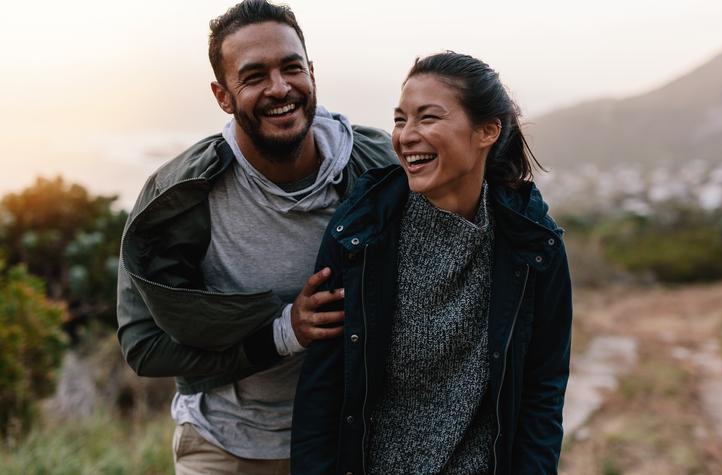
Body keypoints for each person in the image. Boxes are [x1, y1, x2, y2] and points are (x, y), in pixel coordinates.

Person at [115, 1, 395, 473]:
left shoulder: (375, 166)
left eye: (291, 68)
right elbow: (143, 345)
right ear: (222, 96)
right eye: (254, 76)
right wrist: (284, 333)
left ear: (312, 72)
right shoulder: (177, 197)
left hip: (349, 442)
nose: (280, 88)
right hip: (224, 445)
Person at [291, 52, 572, 474]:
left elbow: (541, 392)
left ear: (487, 131)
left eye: (428, 118)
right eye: (400, 119)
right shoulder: (360, 233)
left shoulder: (533, 245)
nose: (406, 136)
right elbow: (323, 390)